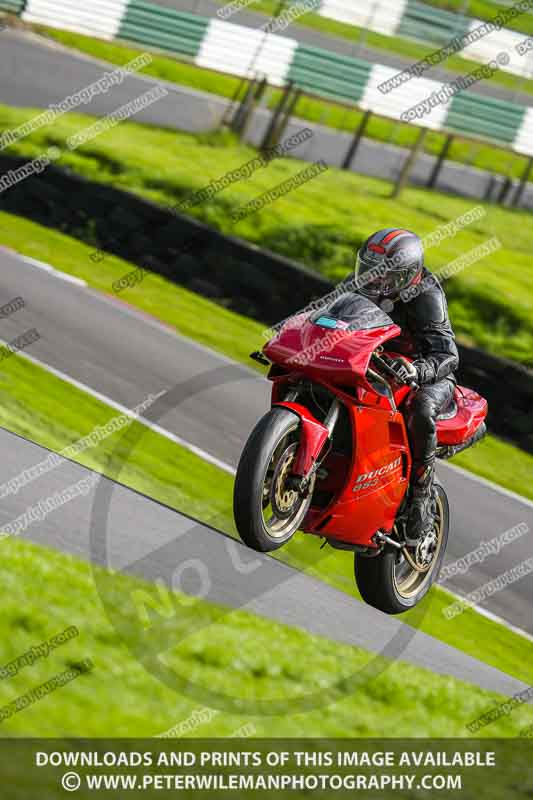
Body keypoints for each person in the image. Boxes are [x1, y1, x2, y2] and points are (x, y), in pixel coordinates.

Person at [354, 228, 459, 545]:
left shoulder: (427, 296)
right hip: (380, 360)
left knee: (421, 409)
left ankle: (420, 496)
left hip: (428, 373)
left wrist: (416, 369)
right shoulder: (365, 284)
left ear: (408, 273)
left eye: (386, 274)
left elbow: (447, 355)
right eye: (370, 270)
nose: (376, 280)